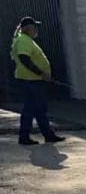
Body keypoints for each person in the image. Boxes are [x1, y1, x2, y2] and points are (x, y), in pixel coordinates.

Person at [10, 17, 64, 147]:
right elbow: (25, 59)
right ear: (27, 28)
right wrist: (41, 73)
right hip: (31, 80)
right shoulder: (24, 40)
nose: (36, 29)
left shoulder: (26, 40)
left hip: (33, 80)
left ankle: (47, 135)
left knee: (38, 109)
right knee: (32, 109)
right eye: (34, 27)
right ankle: (27, 136)